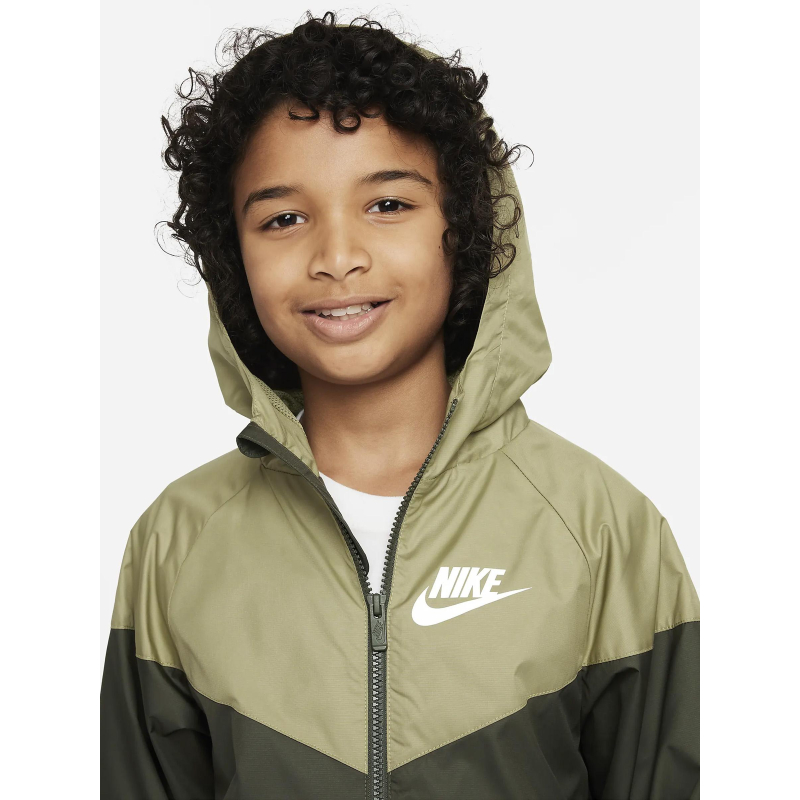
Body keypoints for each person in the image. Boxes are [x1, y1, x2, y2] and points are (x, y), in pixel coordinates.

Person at [100, 12, 700, 800]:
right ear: (231, 256)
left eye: (387, 205)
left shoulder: (602, 530)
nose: (337, 257)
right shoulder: (176, 544)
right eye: (283, 218)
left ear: (465, 224)